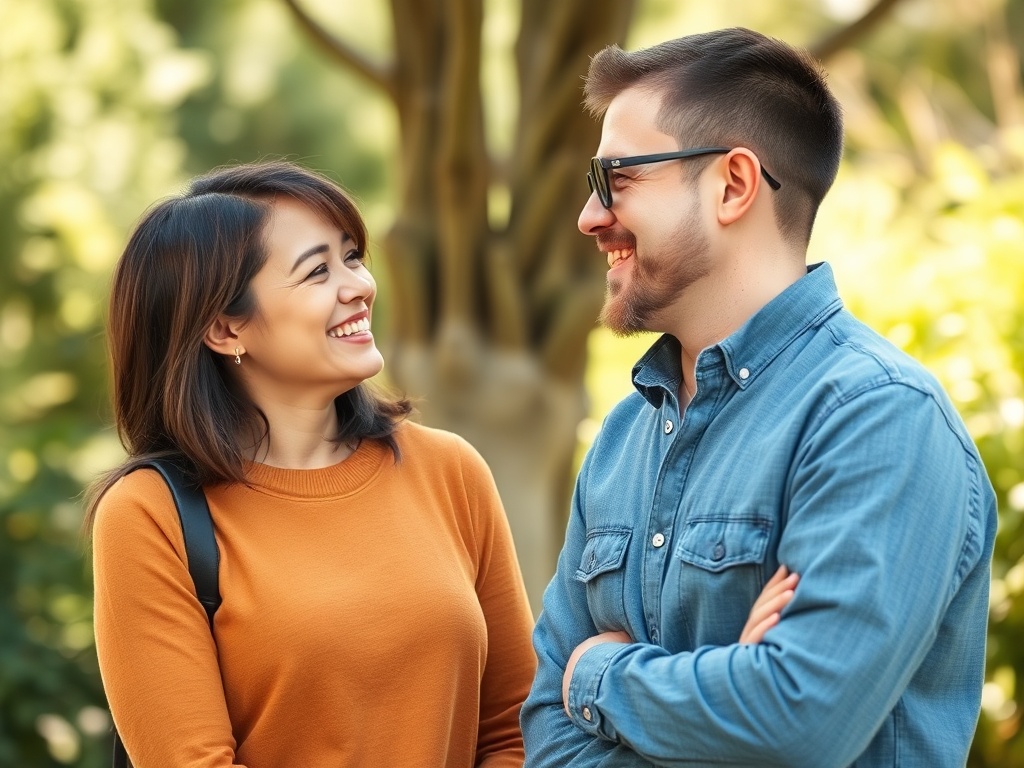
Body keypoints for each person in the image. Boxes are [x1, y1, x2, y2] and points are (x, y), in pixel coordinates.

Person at [521, 27, 997, 768]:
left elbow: (797, 727)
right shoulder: (622, 436)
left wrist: (602, 674)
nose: (590, 216)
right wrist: (722, 694)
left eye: (618, 179)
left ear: (734, 186)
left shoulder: (878, 419)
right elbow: (548, 733)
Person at [87, 160, 538, 767]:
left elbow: (514, 729)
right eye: (318, 271)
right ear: (225, 328)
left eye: (352, 257)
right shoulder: (149, 515)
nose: (358, 285)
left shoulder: (450, 470)